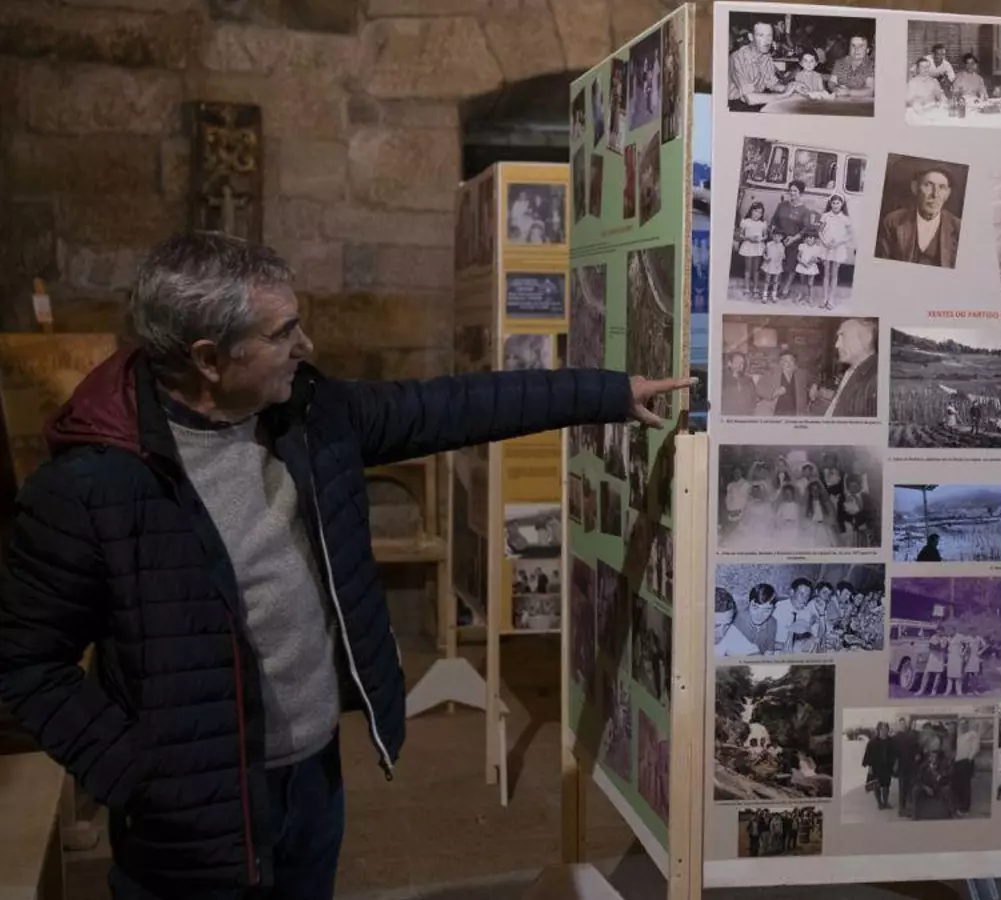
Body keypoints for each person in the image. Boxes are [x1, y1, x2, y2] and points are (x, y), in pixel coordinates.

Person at [0, 232, 690, 900]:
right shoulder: (91, 487)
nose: (306, 346)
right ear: (209, 359)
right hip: (187, 826)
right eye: (282, 333)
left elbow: (450, 407)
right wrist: (137, 778)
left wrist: (609, 393)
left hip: (313, 780)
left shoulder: (308, 415)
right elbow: (24, 663)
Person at [876, 164, 962, 268]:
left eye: (942, 187)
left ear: (948, 194)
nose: (935, 194)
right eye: (928, 185)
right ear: (915, 188)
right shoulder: (892, 222)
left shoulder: (958, 228)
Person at [728, 22, 794, 111]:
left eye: (769, 35)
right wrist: (783, 95)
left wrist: (791, 87)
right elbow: (749, 98)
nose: (766, 40)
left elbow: (773, 84)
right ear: (751, 37)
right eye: (761, 35)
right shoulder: (738, 58)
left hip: (757, 100)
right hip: (735, 105)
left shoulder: (766, 56)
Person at [821, 318, 878, 418]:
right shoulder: (851, 371)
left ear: (866, 339)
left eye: (843, 336)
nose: (837, 345)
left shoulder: (876, 378)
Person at [817, 193, 854, 309]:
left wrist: (838, 242)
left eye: (838, 203)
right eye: (833, 203)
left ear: (842, 204)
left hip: (838, 248)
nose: (835, 205)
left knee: (834, 274)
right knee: (826, 274)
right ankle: (824, 299)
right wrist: (824, 242)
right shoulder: (825, 216)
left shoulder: (845, 218)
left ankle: (831, 300)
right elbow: (820, 232)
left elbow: (850, 235)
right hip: (827, 247)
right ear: (830, 204)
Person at [891, 717, 923, 816]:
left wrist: (918, 754)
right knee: (902, 788)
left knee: (911, 787)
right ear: (898, 725)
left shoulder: (912, 736)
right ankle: (902, 808)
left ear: (906, 724)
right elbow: (893, 753)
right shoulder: (895, 738)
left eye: (904, 724)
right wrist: (894, 765)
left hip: (912, 765)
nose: (903, 725)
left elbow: (917, 747)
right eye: (901, 724)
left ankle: (912, 808)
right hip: (902, 767)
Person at [828, 34, 876, 100]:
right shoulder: (839, 62)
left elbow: (870, 91)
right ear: (849, 48)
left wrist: (848, 92)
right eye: (853, 46)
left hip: (863, 104)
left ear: (867, 50)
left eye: (861, 46)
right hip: (840, 103)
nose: (856, 49)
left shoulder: (871, 65)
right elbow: (831, 82)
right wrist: (835, 89)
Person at [737, 202, 768, 299]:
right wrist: (748, 238)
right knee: (748, 269)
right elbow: (740, 235)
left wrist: (760, 239)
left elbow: (766, 236)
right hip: (748, 246)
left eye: (760, 212)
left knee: (756, 269)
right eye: (755, 211)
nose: (757, 214)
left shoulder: (763, 223)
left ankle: (755, 288)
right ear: (751, 211)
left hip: (758, 247)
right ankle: (746, 288)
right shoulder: (745, 221)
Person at [862, 722, 897, 811]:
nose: (884, 731)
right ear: (879, 730)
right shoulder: (872, 742)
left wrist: (895, 764)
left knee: (886, 786)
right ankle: (879, 803)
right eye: (882, 729)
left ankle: (885, 802)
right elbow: (868, 755)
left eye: (886, 729)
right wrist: (869, 766)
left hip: (887, 767)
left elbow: (895, 754)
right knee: (876, 786)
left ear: (888, 730)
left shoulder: (891, 741)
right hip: (876, 767)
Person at [953, 719, 980, 815]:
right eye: (961, 724)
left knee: (965, 785)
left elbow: (976, 747)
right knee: (958, 784)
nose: (962, 726)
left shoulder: (972, 734)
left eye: (964, 724)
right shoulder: (960, 737)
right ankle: (959, 805)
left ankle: (965, 807)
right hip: (958, 762)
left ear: (967, 725)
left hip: (966, 761)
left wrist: (970, 758)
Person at [722, 351, 758, 416]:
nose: (740, 365)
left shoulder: (749, 380)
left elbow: (754, 400)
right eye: (737, 362)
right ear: (729, 363)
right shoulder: (722, 379)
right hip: (728, 416)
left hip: (745, 416)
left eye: (742, 363)